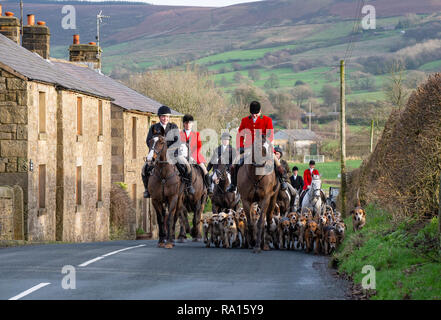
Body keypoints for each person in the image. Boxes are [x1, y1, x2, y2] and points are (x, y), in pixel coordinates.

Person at [227, 101, 287, 192]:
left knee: (276, 162)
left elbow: (270, 135)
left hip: (263, 147)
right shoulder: (245, 120)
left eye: (256, 114)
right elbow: (240, 135)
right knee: (233, 165)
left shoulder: (267, 120)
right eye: (252, 114)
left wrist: (266, 145)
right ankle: (233, 184)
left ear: (260, 111)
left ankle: (282, 181)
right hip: (248, 149)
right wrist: (241, 147)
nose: (254, 115)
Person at [142, 105, 195, 198]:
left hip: (173, 153)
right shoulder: (154, 127)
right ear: (159, 117)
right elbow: (148, 140)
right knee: (144, 169)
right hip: (157, 154)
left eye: (167, 116)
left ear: (169, 117)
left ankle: (189, 186)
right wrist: (154, 151)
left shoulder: (173, 126)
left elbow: (178, 141)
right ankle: (147, 189)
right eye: (163, 116)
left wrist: (170, 150)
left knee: (187, 166)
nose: (165, 118)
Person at [180, 114, 213, 195]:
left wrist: (193, 156)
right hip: (182, 157)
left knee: (205, 170)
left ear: (192, 124)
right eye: (186, 123)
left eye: (189, 123)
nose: (188, 125)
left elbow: (199, 146)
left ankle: (208, 187)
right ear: (184, 124)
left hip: (195, 156)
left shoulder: (196, 134)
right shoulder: (180, 133)